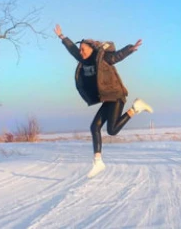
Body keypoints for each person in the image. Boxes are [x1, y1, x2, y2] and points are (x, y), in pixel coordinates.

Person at [54, 24, 153, 178]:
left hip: (117, 95)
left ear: (91, 48)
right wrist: (62, 36)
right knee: (94, 127)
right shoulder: (84, 60)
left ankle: (135, 107)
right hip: (108, 98)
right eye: (80, 50)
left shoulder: (102, 57)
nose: (81, 52)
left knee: (112, 131)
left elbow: (116, 56)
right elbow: (73, 49)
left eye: (84, 50)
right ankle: (98, 162)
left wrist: (130, 49)